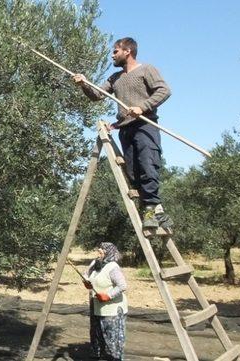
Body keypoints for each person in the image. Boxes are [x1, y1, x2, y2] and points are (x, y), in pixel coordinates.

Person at [73, 37, 173, 230]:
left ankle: (153, 210)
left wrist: (143, 107)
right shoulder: (115, 78)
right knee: (133, 171)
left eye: (115, 51)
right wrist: (84, 84)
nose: (112, 54)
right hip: (126, 129)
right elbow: (97, 95)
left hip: (145, 126)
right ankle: (154, 211)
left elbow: (164, 90)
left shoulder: (146, 70)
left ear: (128, 51)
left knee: (148, 165)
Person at [83, 242, 128, 361]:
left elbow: (122, 285)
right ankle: (98, 355)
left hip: (111, 310)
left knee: (111, 338)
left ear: (108, 252)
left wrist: (108, 295)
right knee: (97, 335)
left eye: (101, 250)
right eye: (98, 249)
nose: (98, 251)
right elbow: (86, 275)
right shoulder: (95, 263)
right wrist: (87, 282)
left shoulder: (112, 267)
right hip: (96, 306)